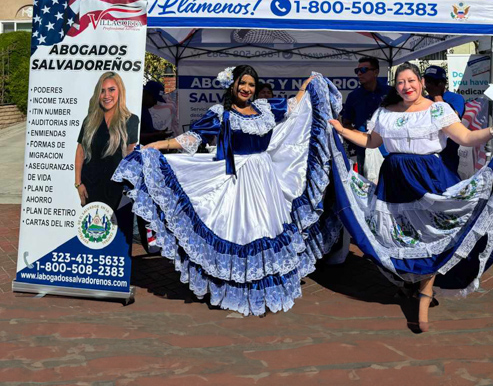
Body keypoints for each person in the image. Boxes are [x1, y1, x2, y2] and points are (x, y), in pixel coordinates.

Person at [114, 65, 343, 316]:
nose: (247, 89)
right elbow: (193, 137)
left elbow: (294, 105)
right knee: (240, 230)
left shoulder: (265, 109)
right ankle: (232, 288)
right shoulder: (221, 114)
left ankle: (262, 289)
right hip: (238, 179)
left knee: (266, 229)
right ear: (232, 85)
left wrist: (307, 85)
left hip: (265, 178)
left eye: (251, 85)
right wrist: (159, 144)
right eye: (242, 83)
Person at [329, 62, 493, 333]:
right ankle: (410, 282)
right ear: (395, 86)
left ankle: (425, 290)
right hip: (395, 180)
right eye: (400, 82)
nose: (406, 86)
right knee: (399, 232)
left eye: (411, 81)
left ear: (420, 82)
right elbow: (371, 142)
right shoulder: (385, 112)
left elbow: (466, 138)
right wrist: (341, 131)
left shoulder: (438, 109)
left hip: (428, 178)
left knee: (430, 233)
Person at [75, 72, 139, 211]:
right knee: (93, 230)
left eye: (111, 90)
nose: (106, 95)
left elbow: (130, 153)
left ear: (120, 91)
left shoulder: (131, 120)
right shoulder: (90, 121)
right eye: (102, 91)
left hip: (118, 189)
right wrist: (78, 184)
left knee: (118, 230)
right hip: (90, 187)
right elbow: (80, 151)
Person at [342, 57, 390, 173]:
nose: (359, 74)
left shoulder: (390, 92)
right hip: (364, 149)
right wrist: (357, 133)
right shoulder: (353, 96)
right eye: (357, 71)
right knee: (368, 187)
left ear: (376, 72)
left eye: (363, 70)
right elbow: (346, 123)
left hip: (388, 149)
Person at [423, 65, 465, 174]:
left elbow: (452, 120)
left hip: (448, 151)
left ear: (442, 83)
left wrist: (437, 97)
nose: (429, 85)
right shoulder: (424, 100)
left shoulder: (455, 98)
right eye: (427, 81)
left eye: (433, 82)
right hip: (427, 152)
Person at [140, 80, 170, 145]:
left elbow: (147, 130)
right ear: (146, 94)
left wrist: (158, 132)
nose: (155, 103)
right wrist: (155, 135)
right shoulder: (135, 110)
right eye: (154, 99)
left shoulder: (145, 110)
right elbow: (133, 136)